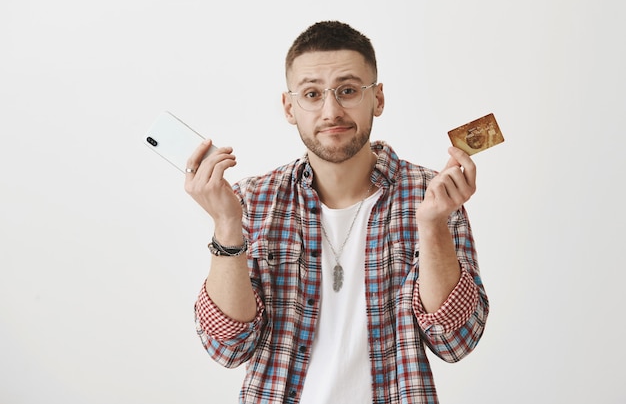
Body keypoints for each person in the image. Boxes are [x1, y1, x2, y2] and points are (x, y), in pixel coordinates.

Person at [185, 20, 489, 404]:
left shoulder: (432, 197)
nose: (331, 111)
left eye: (348, 91)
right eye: (312, 93)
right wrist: (227, 224)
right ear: (289, 106)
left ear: (377, 98)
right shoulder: (252, 200)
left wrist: (432, 227)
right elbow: (227, 347)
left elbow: (456, 341)